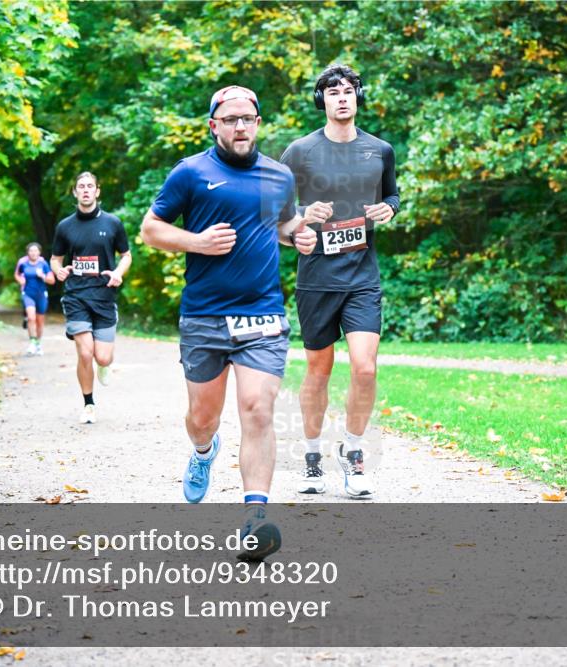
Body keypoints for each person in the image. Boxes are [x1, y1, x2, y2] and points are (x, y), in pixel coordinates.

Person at [140, 85, 316, 560]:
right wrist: (196, 242)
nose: (241, 126)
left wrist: (296, 236)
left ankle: (254, 518)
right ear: (213, 125)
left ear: (259, 123)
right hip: (204, 316)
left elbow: (277, 225)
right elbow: (150, 230)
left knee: (258, 408)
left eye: (249, 118)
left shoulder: (279, 177)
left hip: (261, 312)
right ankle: (203, 452)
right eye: (231, 118)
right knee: (203, 419)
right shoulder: (191, 173)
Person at [280, 64, 400, 498]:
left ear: (358, 97)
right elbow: (275, 211)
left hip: (362, 275)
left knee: (365, 368)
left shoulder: (380, 150)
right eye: (333, 92)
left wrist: (390, 209)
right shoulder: (299, 151)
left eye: (348, 91)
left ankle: (353, 455)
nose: (342, 98)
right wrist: (299, 223)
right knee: (319, 369)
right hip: (316, 278)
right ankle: (312, 458)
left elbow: (391, 194)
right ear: (322, 101)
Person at [50, 172, 132, 424]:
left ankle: (104, 365)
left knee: (102, 357)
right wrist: (59, 270)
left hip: (104, 297)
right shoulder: (65, 226)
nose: (85, 190)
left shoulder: (113, 223)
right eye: (80, 187)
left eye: (90, 186)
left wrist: (118, 272)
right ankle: (88, 404)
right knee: (85, 354)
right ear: (75, 192)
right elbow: (55, 259)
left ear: (97, 191)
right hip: (76, 296)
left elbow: (126, 255)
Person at [15, 242, 55, 356]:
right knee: (31, 317)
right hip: (28, 294)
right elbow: (17, 274)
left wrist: (42, 275)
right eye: (31, 251)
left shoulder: (43, 264)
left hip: (41, 295)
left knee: (40, 321)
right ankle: (32, 342)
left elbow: (52, 280)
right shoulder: (23, 263)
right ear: (28, 252)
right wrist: (20, 280)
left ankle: (38, 343)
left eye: (35, 251)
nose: (33, 253)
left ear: (39, 252)